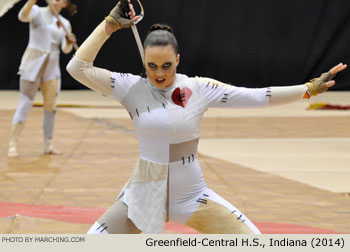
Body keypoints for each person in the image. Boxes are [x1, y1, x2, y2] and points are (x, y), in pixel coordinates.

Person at [66, 1, 347, 234]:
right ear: (144, 63)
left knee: (254, 241)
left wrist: (307, 90)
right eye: (151, 66)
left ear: (178, 59)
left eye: (166, 65)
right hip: (141, 197)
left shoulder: (200, 88)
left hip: (192, 196)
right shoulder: (130, 88)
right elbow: (77, 68)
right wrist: (109, 26)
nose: (159, 73)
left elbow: (259, 95)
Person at [8, 0, 77, 158]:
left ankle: (48, 145)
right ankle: (13, 143)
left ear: (65, 4)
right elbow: (22, 16)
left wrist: (68, 40)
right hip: (33, 64)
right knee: (25, 103)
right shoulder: (37, 11)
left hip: (52, 69)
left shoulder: (65, 23)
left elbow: (65, 50)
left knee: (51, 108)